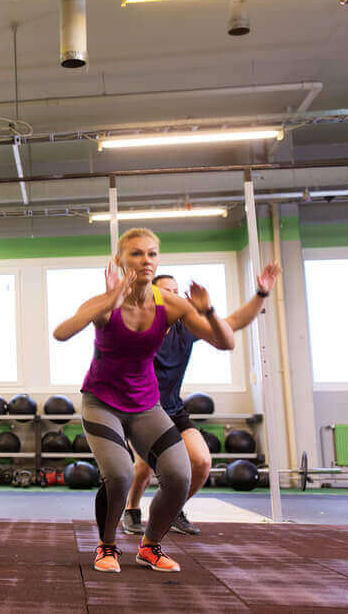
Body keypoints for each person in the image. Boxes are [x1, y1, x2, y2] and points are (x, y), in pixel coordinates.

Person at [52, 228, 235, 573]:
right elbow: (61, 333)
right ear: (121, 260)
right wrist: (108, 301)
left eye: (152, 254)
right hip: (102, 401)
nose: (145, 260)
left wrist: (208, 310)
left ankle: (149, 547)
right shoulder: (105, 303)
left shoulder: (172, 305)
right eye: (136, 253)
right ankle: (107, 546)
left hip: (146, 404)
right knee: (119, 474)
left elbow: (225, 342)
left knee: (179, 476)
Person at [122, 263, 282, 536]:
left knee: (202, 462)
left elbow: (233, 323)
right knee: (145, 465)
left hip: (173, 409)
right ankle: (132, 509)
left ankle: (171, 509)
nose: (174, 296)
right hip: (141, 411)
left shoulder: (186, 328)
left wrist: (261, 294)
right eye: (167, 291)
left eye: (177, 291)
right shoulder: (138, 328)